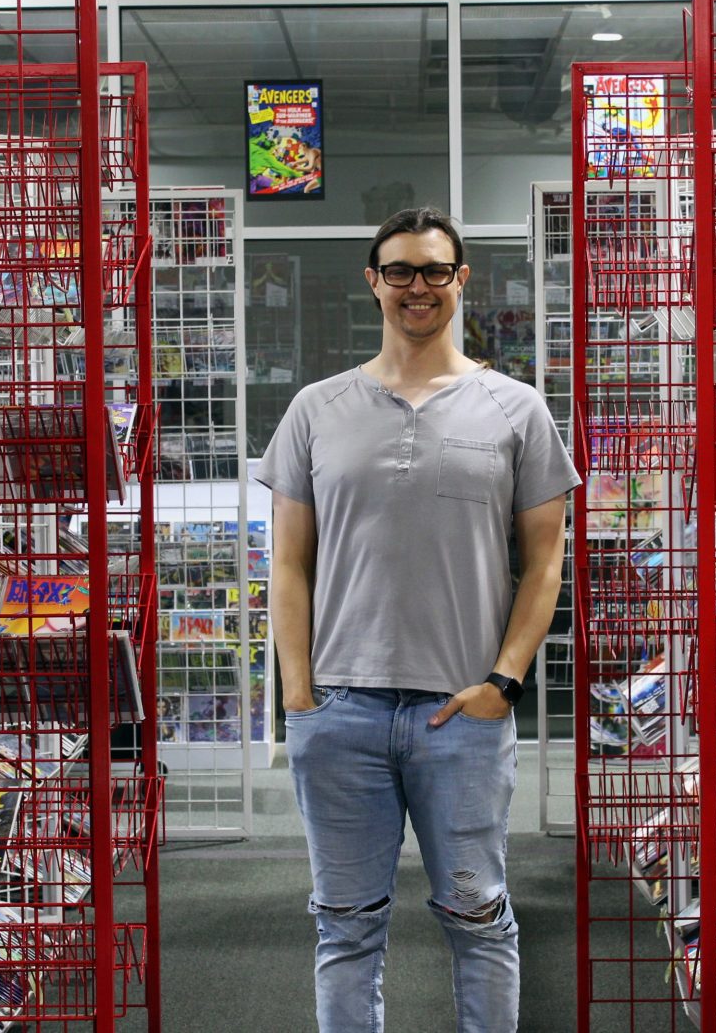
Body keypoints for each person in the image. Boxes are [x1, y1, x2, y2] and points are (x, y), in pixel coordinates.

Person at [258, 207, 579, 1033]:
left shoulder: (515, 409)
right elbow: (287, 562)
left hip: (460, 718)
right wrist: (299, 697)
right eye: (399, 270)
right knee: (345, 928)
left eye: (434, 271)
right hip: (340, 713)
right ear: (373, 282)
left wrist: (503, 683)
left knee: (479, 922)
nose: (417, 287)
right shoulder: (315, 410)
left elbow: (544, 563)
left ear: (459, 281)